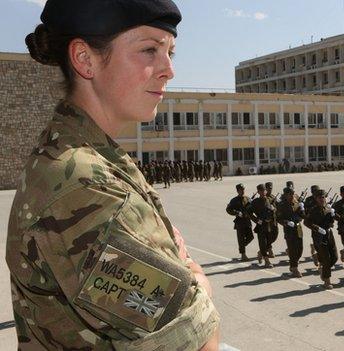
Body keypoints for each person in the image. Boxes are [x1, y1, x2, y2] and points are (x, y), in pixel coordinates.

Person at [6, 1, 220, 349]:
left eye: (171, 52)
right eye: (149, 49)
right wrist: (196, 279)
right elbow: (199, 339)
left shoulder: (94, 154)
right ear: (85, 59)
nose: (169, 70)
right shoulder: (82, 185)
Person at [304, 189, 339, 289]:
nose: (322, 199)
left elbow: (335, 220)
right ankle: (327, 281)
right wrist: (317, 228)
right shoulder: (313, 210)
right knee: (326, 259)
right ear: (316, 199)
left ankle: (323, 269)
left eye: (323, 197)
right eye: (320, 198)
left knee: (335, 257)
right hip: (318, 236)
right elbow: (306, 222)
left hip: (329, 234)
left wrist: (333, 215)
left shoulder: (328, 208)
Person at [277, 187, 305, 277]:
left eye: (293, 194)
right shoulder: (281, 205)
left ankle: (293, 264)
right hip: (289, 229)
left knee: (300, 249)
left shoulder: (296, 203)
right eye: (290, 194)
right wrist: (286, 222)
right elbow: (278, 218)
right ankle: (294, 268)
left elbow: (302, 216)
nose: (292, 195)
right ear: (285, 195)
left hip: (298, 228)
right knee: (293, 249)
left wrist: (302, 209)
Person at [249, 184, 276, 268]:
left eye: (264, 190)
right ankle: (267, 261)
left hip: (270, 225)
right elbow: (249, 212)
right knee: (262, 242)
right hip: (261, 226)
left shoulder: (270, 199)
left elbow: (276, 210)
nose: (263, 192)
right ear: (258, 192)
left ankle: (260, 252)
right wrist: (257, 220)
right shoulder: (255, 202)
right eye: (261, 191)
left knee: (269, 241)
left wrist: (273, 209)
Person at [226, 184, 254, 261]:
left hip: (247, 221)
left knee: (251, 237)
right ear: (238, 191)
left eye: (243, 189)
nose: (243, 191)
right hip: (240, 222)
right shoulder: (234, 200)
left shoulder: (248, 199)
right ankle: (243, 254)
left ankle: (242, 247)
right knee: (241, 238)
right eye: (241, 190)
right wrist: (237, 213)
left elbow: (252, 208)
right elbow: (228, 209)